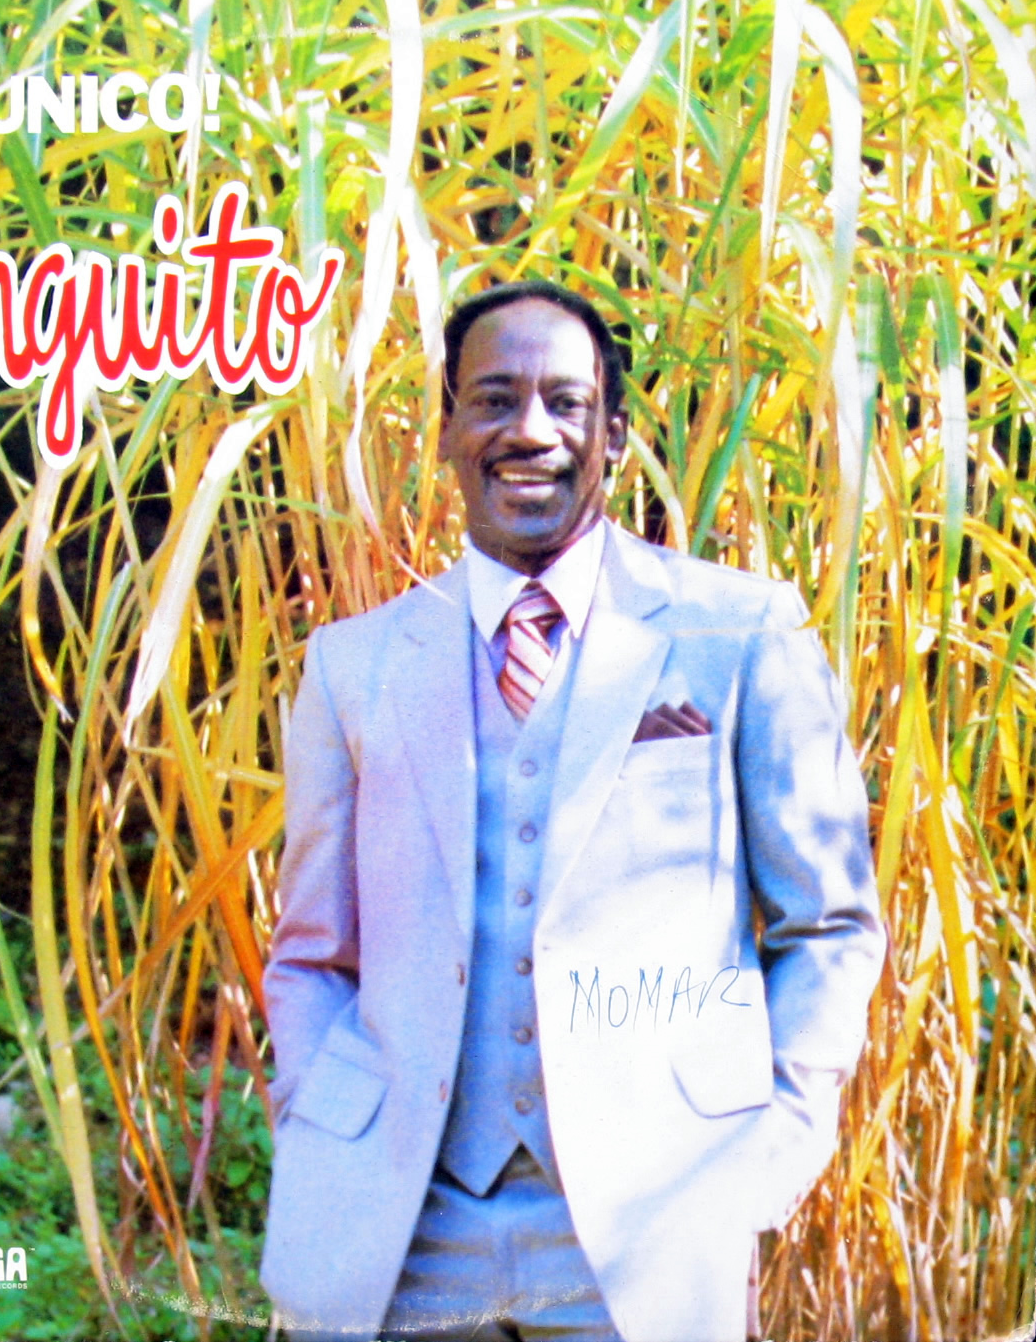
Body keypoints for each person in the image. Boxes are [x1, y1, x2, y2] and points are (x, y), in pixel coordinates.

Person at [259, 280, 885, 1342]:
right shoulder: (352, 665)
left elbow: (828, 923)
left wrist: (766, 1150)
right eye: (493, 399)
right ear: (445, 431)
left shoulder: (739, 632)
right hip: (398, 1231)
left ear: (616, 435)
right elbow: (311, 952)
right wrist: (325, 1126)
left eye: (566, 401)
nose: (530, 430)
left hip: (651, 1226)